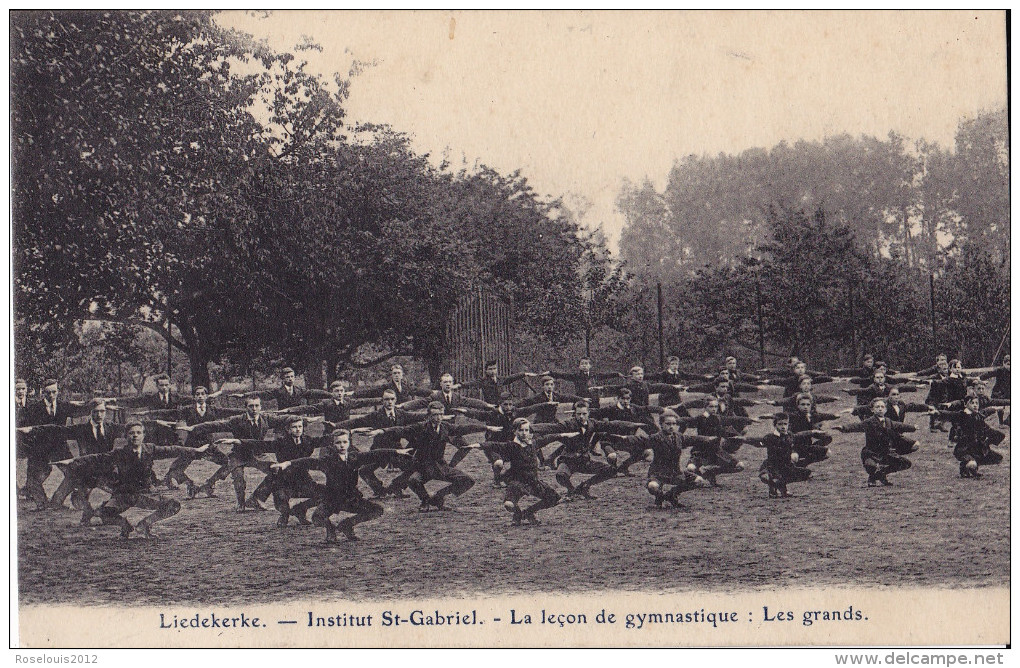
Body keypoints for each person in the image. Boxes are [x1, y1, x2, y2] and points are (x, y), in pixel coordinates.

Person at [52, 422, 211, 538]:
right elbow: (96, 458)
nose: (135, 435)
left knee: (173, 505)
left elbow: (174, 449)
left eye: (138, 432)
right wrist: (72, 461)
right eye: (131, 433)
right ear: (126, 436)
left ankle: (144, 524)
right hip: (124, 496)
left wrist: (195, 451)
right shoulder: (119, 453)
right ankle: (124, 525)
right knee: (103, 514)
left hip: (146, 495)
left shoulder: (150, 449)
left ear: (143, 435)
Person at [270, 430, 410, 542]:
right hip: (332, 499)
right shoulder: (328, 461)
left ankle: (347, 525)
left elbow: (374, 454)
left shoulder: (355, 457)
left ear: (349, 443)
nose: (342, 445)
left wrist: (396, 451)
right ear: (332, 445)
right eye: (338, 443)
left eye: (345, 442)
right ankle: (330, 530)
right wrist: (286, 463)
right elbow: (307, 461)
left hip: (351, 498)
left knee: (377, 510)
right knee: (317, 518)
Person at [182, 396, 314, 510]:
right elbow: (216, 425)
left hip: (258, 453)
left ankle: (256, 499)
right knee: (238, 477)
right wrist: (194, 428)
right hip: (239, 454)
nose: (254, 409)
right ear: (246, 408)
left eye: (257, 406)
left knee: (276, 470)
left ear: (261, 407)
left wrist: (305, 419)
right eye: (251, 406)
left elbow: (286, 418)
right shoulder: (236, 420)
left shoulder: (266, 419)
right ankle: (240, 503)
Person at [367, 401, 483, 510]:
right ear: (429, 415)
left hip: (439, 466)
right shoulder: (420, 427)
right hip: (422, 466)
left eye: (441, 414)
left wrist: (486, 427)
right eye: (435, 415)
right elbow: (402, 430)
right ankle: (425, 500)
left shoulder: (445, 427)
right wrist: (382, 431)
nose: (438, 418)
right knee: (413, 480)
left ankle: (438, 497)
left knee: (468, 481)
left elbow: (464, 428)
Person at [218, 417, 324, 526]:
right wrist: (238, 441)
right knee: (280, 497)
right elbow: (260, 444)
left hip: (303, 479)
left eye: (300, 426)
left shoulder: (308, 441)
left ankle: (300, 509)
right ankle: (284, 515)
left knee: (326, 493)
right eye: (294, 427)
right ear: (288, 429)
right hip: (284, 481)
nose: (298, 429)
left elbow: (326, 439)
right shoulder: (281, 443)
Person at [602, 411, 712, 508]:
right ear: (661, 424)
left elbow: (694, 439)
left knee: (698, 481)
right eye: (668, 424)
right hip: (658, 472)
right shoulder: (656, 438)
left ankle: (671, 495)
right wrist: (624, 438)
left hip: (675, 472)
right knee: (652, 486)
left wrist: (708, 439)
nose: (671, 426)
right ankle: (660, 496)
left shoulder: (679, 437)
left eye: (674, 424)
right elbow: (640, 440)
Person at [331, 389, 425, 497]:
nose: (389, 402)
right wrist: (336, 425)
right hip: (378, 450)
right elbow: (357, 421)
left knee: (414, 466)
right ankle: (379, 490)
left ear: (396, 400)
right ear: (382, 401)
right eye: (386, 399)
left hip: (397, 449)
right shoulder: (376, 415)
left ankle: (396, 486)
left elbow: (418, 416)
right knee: (364, 470)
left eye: (392, 399)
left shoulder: (401, 414)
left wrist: (438, 415)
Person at [542, 400, 644, 499]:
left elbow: (611, 424)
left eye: (584, 413)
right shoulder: (569, 424)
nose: (581, 417)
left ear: (589, 413)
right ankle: (571, 490)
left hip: (584, 461)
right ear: (575, 414)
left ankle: (584, 487)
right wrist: (531, 428)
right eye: (578, 414)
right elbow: (551, 427)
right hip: (568, 461)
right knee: (560, 475)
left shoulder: (592, 424)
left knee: (611, 470)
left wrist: (632, 424)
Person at [21, 378, 83, 509]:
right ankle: (42, 503)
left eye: (54, 392)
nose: (51, 395)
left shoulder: (64, 406)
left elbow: (82, 410)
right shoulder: (34, 408)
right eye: (48, 393)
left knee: (74, 472)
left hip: (60, 447)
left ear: (58, 391)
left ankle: (57, 501)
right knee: (33, 480)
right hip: (40, 449)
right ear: (43, 393)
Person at [836, 397, 917, 486]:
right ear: (872, 410)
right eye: (877, 407)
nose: (880, 409)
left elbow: (900, 426)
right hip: (871, 453)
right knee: (871, 466)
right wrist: (843, 428)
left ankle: (880, 474)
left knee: (905, 463)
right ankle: (872, 476)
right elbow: (856, 426)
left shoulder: (888, 421)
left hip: (886, 452)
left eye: (882, 407)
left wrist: (913, 428)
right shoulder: (869, 422)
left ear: (886, 409)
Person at [497, 418, 562, 525]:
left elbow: (548, 438)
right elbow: (497, 447)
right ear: (515, 431)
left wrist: (563, 435)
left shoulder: (533, 443)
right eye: (521, 430)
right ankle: (517, 515)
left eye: (526, 430)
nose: (524, 433)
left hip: (533, 481)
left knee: (554, 499)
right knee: (509, 504)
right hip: (518, 481)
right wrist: (479, 446)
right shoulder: (512, 445)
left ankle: (528, 513)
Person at [739, 413, 813, 498]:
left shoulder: (790, 436)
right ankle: (773, 487)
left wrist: (813, 432)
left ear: (788, 425)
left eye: (785, 424)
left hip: (786, 465)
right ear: (775, 425)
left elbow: (800, 435)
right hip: (772, 466)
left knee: (807, 473)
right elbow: (757, 440)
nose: (783, 426)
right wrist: (744, 439)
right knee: (766, 477)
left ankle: (781, 487)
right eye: (780, 424)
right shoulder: (770, 437)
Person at [934, 396, 1007, 478]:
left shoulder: (978, 415)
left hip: (977, 447)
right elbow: (950, 414)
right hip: (964, 449)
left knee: (998, 458)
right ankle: (965, 468)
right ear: (965, 404)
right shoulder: (961, 415)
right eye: (972, 403)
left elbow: (987, 411)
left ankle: (973, 469)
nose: (975, 405)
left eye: (977, 403)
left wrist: (996, 408)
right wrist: (937, 412)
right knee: (972, 463)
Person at [232, 367, 329, 410]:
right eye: (287, 377)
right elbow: (262, 394)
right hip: (283, 419)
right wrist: (244, 395)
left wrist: (331, 395)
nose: (290, 379)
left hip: (298, 420)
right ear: (283, 379)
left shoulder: (300, 390)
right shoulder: (278, 391)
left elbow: (314, 393)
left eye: (292, 376)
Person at [548, 357, 625, 403]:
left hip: (594, 401)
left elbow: (606, 375)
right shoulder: (576, 376)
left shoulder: (595, 376)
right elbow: (562, 375)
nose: (584, 365)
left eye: (586, 363)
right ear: (579, 366)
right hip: (581, 400)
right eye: (582, 364)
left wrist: (617, 374)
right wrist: (550, 373)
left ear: (590, 366)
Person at [458, 361, 537, 404]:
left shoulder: (500, 379)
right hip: (491, 407)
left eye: (494, 368)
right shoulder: (483, 381)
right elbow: (471, 383)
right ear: (486, 370)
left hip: (502, 406)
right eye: (490, 369)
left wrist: (524, 374)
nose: (493, 371)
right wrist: (459, 385)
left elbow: (511, 378)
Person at [516, 375, 585, 423]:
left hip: (553, 421)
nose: (549, 387)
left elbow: (568, 397)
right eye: (547, 384)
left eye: (551, 384)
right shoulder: (538, 397)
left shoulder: (556, 396)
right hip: (540, 422)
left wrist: (583, 399)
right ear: (543, 386)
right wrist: (514, 405)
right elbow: (526, 401)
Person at [351, 364, 430, 405]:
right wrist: (354, 393)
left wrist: (432, 392)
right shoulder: (387, 386)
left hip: (405, 412)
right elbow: (371, 391)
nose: (397, 375)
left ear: (402, 374)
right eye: (394, 373)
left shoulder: (406, 386)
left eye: (398, 373)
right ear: (391, 375)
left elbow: (418, 390)